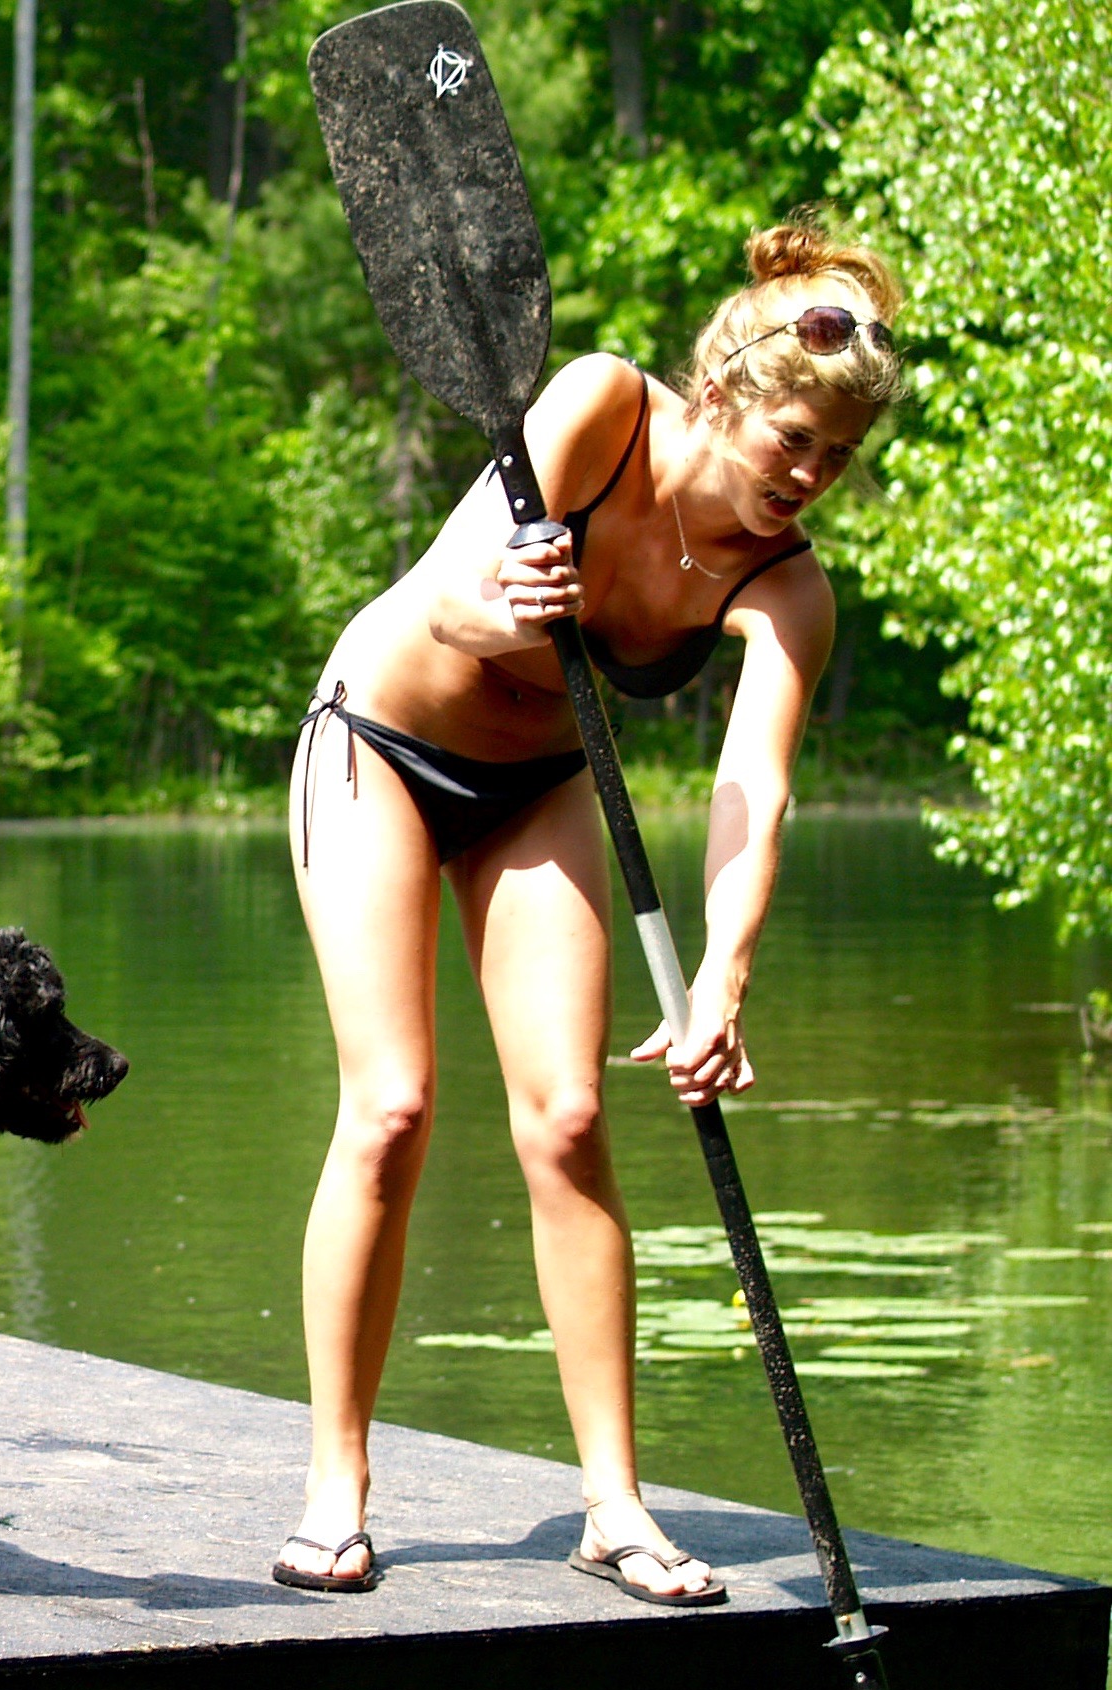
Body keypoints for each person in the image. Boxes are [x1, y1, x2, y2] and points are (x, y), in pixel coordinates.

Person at [274, 223, 905, 1602]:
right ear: (728, 393)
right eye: (795, 437)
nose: (808, 476)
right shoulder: (602, 405)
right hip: (376, 741)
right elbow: (444, 603)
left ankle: (615, 1508)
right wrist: (511, 602)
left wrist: (721, 982)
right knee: (390, 1106)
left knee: (565, 1118)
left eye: (837, 461)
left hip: (539, 782)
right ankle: (336, 1484)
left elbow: (756, 789)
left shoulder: (787, 589)